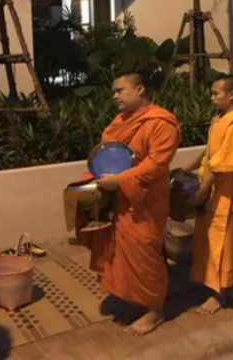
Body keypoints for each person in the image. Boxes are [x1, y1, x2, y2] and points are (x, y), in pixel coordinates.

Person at [78, 73, 181, 336]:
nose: (115, 96)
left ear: (140, 89)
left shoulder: (161, 121)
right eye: (113, 91)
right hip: (118, 199)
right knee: (120, 251)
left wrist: (121, 180)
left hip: (144, 199)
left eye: (120, 90)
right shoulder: (119, 122)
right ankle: (136, 298)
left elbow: (157, 163)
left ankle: (155, 311)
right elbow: (105, 152)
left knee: (145, 252)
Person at [190, 75, 233, 314]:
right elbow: (210, 153)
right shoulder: (219, 119)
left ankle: (221, 292)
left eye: (216, 93)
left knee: (223, 242)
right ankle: (228, 286)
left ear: (232, 95)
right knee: (212, 240)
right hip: (213, 186)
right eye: (212, 93)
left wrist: (205, 187)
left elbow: (228, 159)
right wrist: (188, 169)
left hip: (226, 189)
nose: (212, 97)